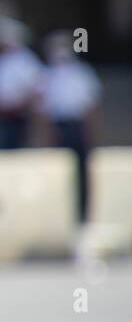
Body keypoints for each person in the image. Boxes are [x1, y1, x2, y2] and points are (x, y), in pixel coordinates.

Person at [40, 29, 102, 221]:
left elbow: (91, 106)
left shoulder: (82, 73)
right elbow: (44, 109)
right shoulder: (47, 76)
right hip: (59, 126)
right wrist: (48, 133)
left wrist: (90, 132)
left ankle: (83, 214)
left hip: (78, 126)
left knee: (82, 171)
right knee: (60, 172)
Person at [0, 16, 43, 149]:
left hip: (21, 118)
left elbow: (37, 90)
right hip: (2, 117)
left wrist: (21, 105)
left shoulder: (26, 60)